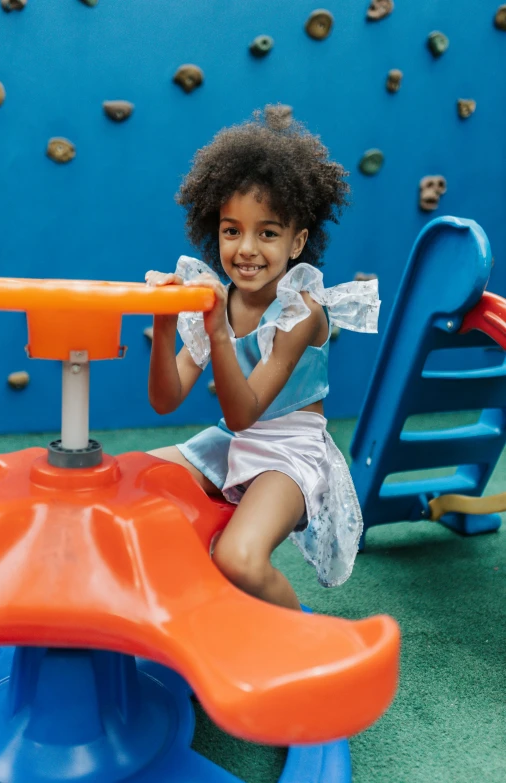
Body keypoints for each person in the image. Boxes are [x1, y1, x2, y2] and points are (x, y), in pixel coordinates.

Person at [145, 106, 380, 610]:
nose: (246, 248)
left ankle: (306, 646)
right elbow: (166, 400)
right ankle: (196, 617)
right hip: (231, 443)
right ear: (216, 231)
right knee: (135, 479)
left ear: (297, 241)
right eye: (232, 231)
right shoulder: (219, 300)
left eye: (267, 233)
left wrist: (218, 334)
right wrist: (165, 319)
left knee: (240, 559)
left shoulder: (302, 310)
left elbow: (244, 410)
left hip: (290, 453)